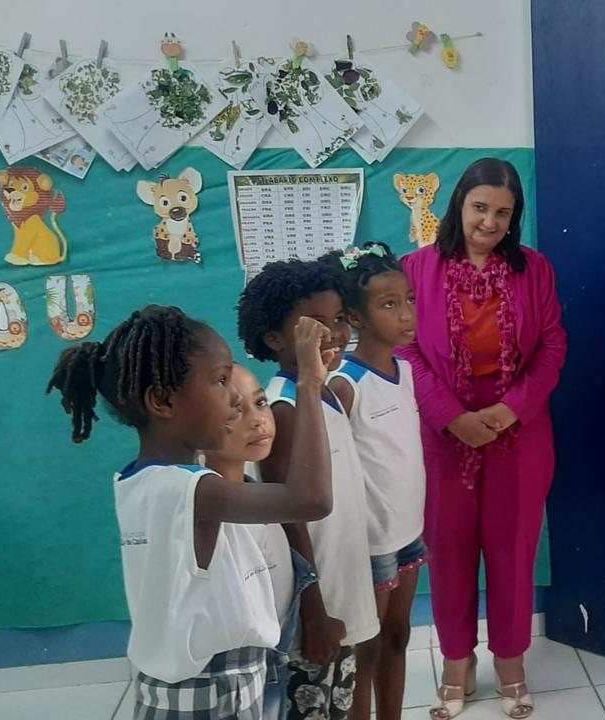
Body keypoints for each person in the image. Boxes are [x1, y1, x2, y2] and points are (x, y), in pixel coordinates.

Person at [46, 305, 334, 719]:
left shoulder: (146, 482)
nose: (235, 399)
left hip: (197, 686)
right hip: (211, 691)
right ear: (162, 400)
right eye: (221, 381)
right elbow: (311, 499)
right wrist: (308, 383)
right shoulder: (191, 490)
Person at [397, 158, 567, 719]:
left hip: (518, 432)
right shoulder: (415, 269)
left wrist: (509, 410)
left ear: (514, 217)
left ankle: (511, 663)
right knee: (447, 549)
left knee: (514, 548)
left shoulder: (534, 269)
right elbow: (404, 349)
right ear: (458, 204)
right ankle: (456, 662)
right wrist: (451, 416)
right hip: (442, 435)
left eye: (502, 212)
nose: (489, 222)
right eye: (479, 208)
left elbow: (552, 346)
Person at [239, 260, 380, 720]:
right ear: (275, 338)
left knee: (341, 703)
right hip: (316, 604)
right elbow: (289, 517)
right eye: (314, 325)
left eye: (338, 319)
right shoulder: (284, 407)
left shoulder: (326, 393)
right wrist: (313, 610)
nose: (334, 333)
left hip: (343, 589)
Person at [323, 243, 429, 720]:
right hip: (370, 543)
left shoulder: (404, 370)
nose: (406, 314)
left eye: (409, 299)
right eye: (389, 305)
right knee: (364, 651)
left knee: (398, 636)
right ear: (356, 317)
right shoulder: (346, 385)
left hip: (408, 531)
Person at [203, 364, 317, 720]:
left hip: (275, 669)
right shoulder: (206, 517)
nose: (258, 421)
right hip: (238, 685)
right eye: (237, 410)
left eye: (261, 402)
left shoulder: (262, 500)